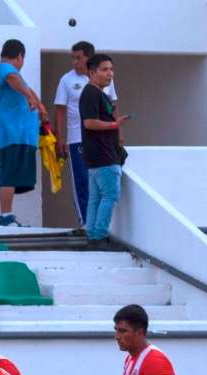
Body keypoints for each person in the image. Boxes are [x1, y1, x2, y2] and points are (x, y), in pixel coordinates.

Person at [54, 41, 118, 233]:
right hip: (76, 139)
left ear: (89, 59)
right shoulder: (66, 80)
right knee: (82, 181)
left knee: (101, 185)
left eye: (78, 58)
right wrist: (60, 138)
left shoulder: (106, 78)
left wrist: (118, 135)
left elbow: (113, 107)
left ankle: (99, 225)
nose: (74, 62)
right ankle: (84, 222)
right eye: (72, 58)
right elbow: (60, 109)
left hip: (103, 140)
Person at [0, 38, 47, 228]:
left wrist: (40, 107)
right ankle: (5, 216)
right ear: (20, 56)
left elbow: (25, 86)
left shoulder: (15, 77)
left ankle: (8, 215)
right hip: (9, 135)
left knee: (13, 177)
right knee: (8, 176)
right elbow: (14, 79)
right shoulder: (3, 69)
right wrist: (29, 97)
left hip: (19, 136)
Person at [79, 53, 129, 249]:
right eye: (104, 69)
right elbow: (89, 123)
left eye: (111, 69)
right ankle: (99, 236)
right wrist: (114, 125)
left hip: (96, 155)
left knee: (95, 198)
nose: (110, 74)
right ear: (92, 72)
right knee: (110, 195)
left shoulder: (96, 93)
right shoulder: (91, 93)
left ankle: (92, 235)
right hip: (103, 155)